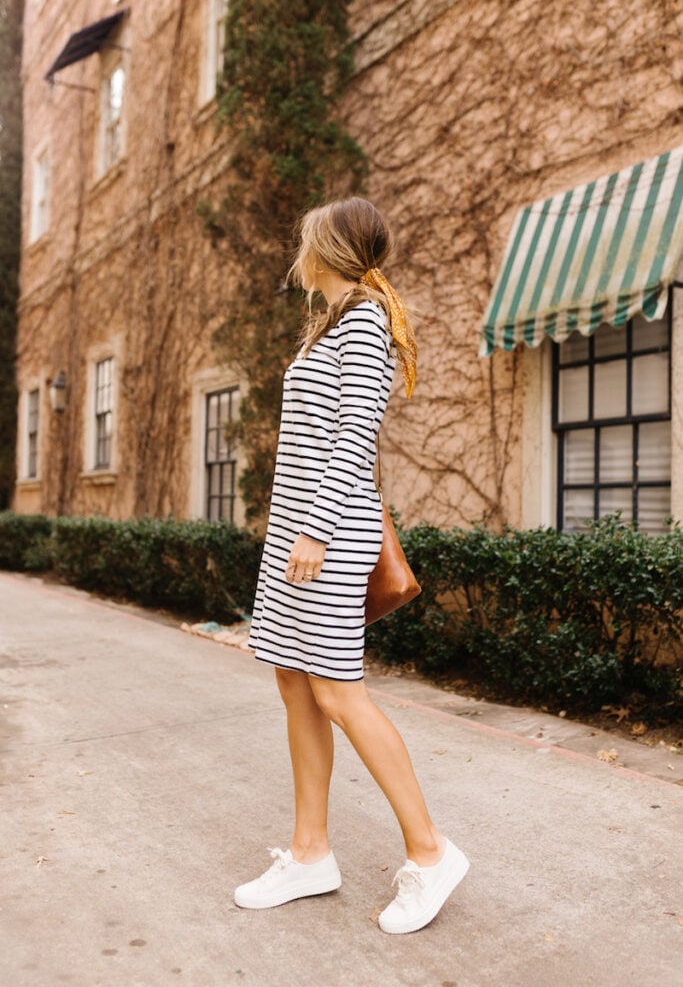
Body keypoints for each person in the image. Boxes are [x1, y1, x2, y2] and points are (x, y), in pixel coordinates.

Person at [233, 197, 469, 934]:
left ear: (328, 248)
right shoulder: (331, 323)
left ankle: (430, 855)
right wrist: (290, 533)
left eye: (305, 239)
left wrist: (314, 530)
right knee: (295, 684)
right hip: (296, 539)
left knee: (338, 691)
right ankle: (310, 855)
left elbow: (354, 433)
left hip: (324, 538)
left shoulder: (363, 318)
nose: (296, 249)